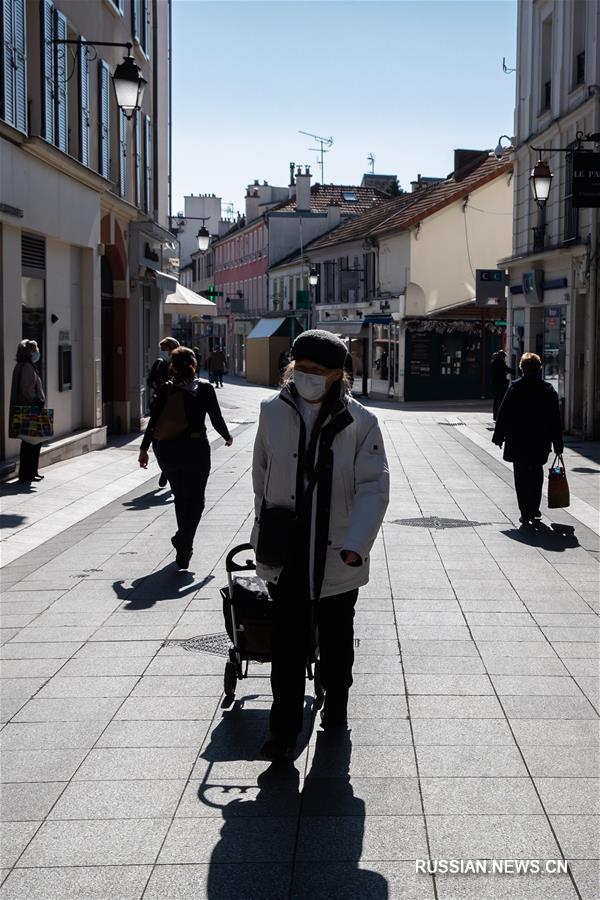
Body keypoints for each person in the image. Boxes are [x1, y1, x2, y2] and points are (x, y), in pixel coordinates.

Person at [251, 329, 389, 760]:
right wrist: (264, 531)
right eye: (302, 369)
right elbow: (261, 472)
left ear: (337, 375)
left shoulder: (361, 421)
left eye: (318, 372)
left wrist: (356, 543)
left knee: (335, 641)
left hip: (338, 551)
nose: (307, 377)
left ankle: (337, 709)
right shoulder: (271, 411)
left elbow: (374, 487)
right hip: (286, 551)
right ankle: (282, 731)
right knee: (286, 648)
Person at [139, 346, 233, 568]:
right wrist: (227, 436)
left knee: (181, 498)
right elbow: (216, 418)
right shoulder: (204, 388)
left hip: (168, 450)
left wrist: (144, 449)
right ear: (194, 364)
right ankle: (184, 540)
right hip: (196, 447)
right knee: (197, 499)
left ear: (172, 365)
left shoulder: (165, 389)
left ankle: (185, 547)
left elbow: (153, 422)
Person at [492, 352, 564, 526]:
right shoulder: (547, 390)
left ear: (522, 368)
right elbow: (555, 419)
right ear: (539, 368)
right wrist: (558, 443)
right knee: (536, 473)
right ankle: (534, 507)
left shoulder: (515, 388)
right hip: (540, 441)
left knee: (521, 475)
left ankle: (525, 511)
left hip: (518, 441)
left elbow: (504, 414)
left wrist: (499, 436)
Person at [9, 340, 47, 484]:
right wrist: (37, 401)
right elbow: (27, 389)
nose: (37, 352)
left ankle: (31, 472)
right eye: (35, 349)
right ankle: (28, 474)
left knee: (30, 443)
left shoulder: (23, 366)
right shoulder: (26, 367)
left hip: (28, 409)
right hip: (30, 410)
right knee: (32, 443)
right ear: (30, 352)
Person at [147, 337, 179, 487]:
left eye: (165, 349)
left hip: (174, 408)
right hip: (159, 405)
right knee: (156, 442)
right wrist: (156, 384)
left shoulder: (180, 365)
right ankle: (165, 469)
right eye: (163, 350)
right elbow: (149, 381)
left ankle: (168, 470)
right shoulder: (159, 364)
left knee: (171, 441)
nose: (164, 352)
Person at [491, 349, 511, 420]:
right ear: (502, 356)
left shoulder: (494, 362)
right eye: (504, 357)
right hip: (501, 384)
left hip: (495, 384)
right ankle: (499, 416)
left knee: (496, 400)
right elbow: (507, 369)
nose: (504, 358)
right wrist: (515, 370)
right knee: (501, 400)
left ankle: (495, 416)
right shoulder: (500, 362)